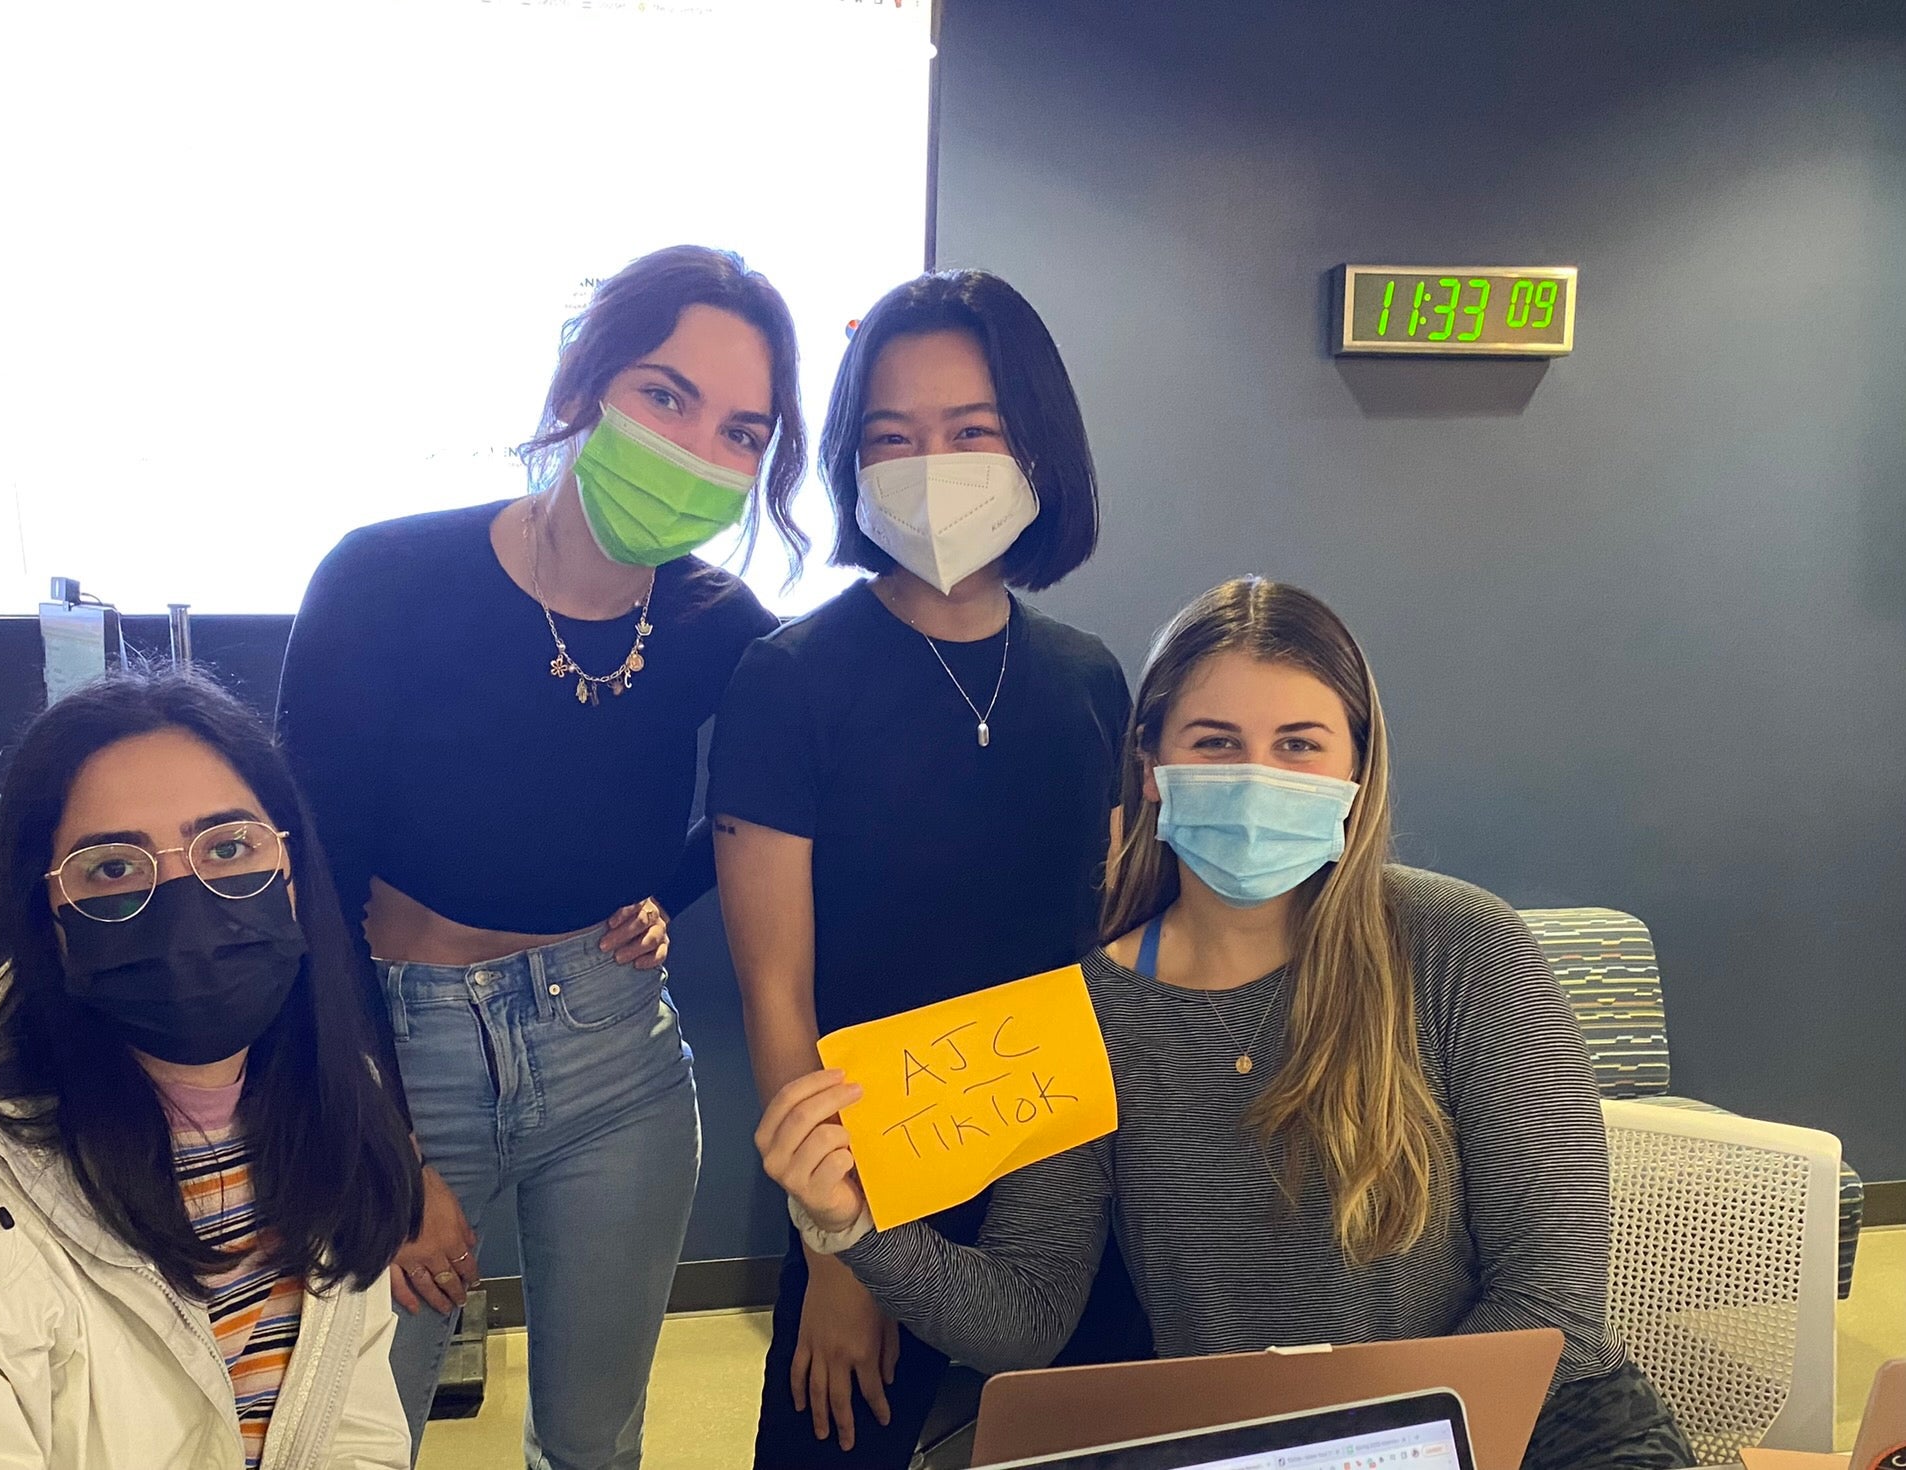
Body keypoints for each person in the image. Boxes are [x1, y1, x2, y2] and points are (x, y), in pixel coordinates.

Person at [756, 577, 1697, 1470]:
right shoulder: (1083, 1010)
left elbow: (1553, 1308)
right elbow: (1029, 1316)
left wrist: (1376, 1446)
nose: (1256, 776)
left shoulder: (1463, 946)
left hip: (1535, 1432)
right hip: (1251, 1447)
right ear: (1154, 767)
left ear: (1357, 770)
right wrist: (854, 1228)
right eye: (1213, 741)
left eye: (1299, 744)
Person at [275, 244, 805, 1467]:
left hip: (613, 1051)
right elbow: (311, 889)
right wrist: (388, 1147)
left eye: (741, 430)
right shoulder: (385, 578)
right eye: (667, 396)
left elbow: (801, 771)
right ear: (584, 386)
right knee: (351, 1439)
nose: (694, 452)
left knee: (593, 1445)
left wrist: (660, 892)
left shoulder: (718, 624)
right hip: (401, 1050)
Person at [0, 670, 422, 1469]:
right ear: (47, 919)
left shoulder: (329, 1114)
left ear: (295, 875)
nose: (185, 898)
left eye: (229, 847)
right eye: (112, 868)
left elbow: (351, 1428)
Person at [710, 269, 1139, 1467]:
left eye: (972, 431)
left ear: (1037, 448)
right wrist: (842, 1250)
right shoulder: (791, 682)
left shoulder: (1090, 679)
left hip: (1062, 1173)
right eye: (892, 437)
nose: (930, 463)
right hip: (867, 1182)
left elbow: (1100, 946)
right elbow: (778, 997)